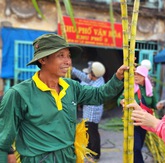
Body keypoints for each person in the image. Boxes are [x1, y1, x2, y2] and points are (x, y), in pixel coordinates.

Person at [0, 33, 128, 163]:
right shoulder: (19, 94)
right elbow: (3, 139)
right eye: (61, 56)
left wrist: (118, 77)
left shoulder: (71, 87)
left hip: (68, 158)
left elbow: (99, 94)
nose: (68, 62)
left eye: (69, 56)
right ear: (43, 60)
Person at [117, 65, 164, 163]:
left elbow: (154, 104)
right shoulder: (130, 88)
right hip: (132, 121)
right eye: (135, 74)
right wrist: (121, 102)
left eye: (139, 75)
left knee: (139, 145)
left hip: (144, 122)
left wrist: (158, 106)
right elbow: (119, 99)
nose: (136, 76)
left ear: (144, 77)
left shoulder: (150, 90)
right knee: (136, 147)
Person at [71, 61, 106, 161]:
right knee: (88, 133)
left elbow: (84, 90)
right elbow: (85, 77)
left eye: (90, 73)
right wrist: (73, 70)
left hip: (93, 114)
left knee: (93, 133)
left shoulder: (97, 86)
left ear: (94, 75)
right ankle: (90, 150)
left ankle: (96, 154)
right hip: (88, 113)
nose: (88, 75)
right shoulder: (96, 78)